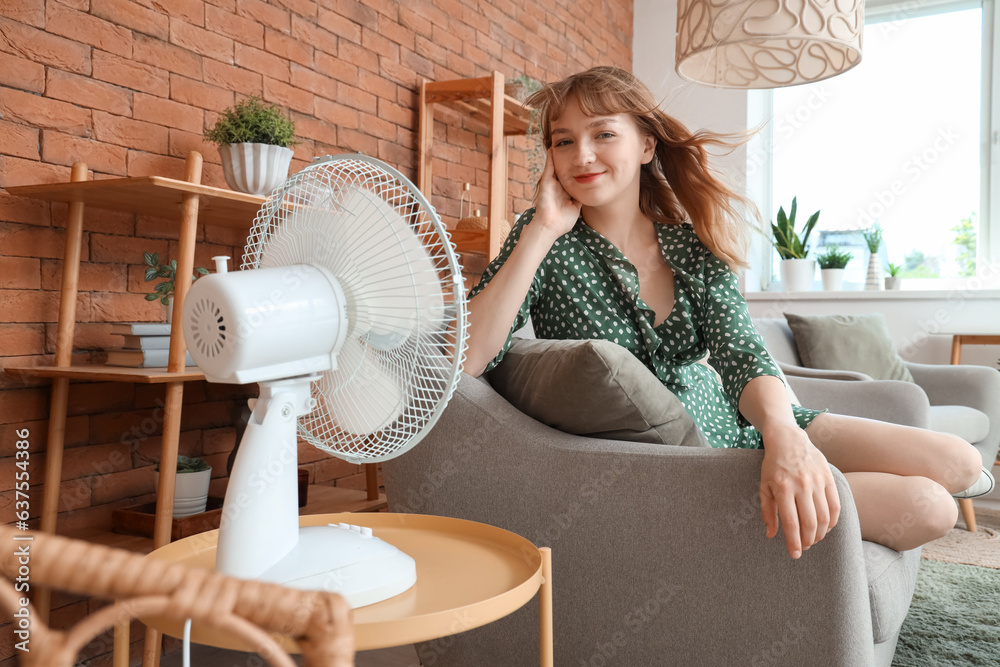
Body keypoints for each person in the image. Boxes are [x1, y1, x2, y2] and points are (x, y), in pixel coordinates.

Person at [463, 66, 992, 559]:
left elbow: (742, 354)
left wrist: (786, 437)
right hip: (698, 465)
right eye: (563, 141)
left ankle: (804, 471)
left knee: (961, 461)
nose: (581, 156)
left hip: (748, 423)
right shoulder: (544, 243)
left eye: (603, 134)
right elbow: (467, 359)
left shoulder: (692, 246)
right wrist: (541, 230)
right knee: (929, 506)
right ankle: (795, 493)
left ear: (646, 144)